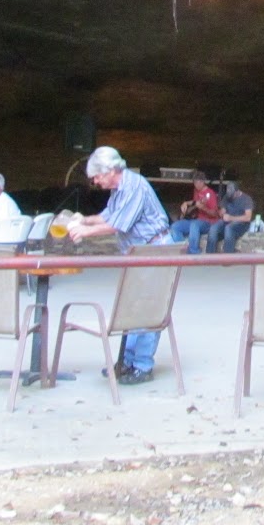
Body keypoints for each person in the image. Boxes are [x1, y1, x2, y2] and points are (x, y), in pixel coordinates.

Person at [68, 146, 174, 384]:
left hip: (154, 249)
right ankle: (126, 361)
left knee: (148, 307)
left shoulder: (134, 186)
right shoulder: (119, 189)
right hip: (138, 251)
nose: (95, 181)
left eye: (97, 176)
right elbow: (108, 215)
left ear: (111, 170)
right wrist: (83, 219)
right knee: (133, 305)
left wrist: (85, 232)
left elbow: (118, 224)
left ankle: (142, 365)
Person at [168, 174, 220, 255]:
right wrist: (185, 203)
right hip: (197, 220)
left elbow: (215, 214)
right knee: (175, 226)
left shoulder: (211, 193)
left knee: (194, 225)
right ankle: (183, 248)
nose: (196, 185)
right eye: (195, 183)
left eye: (198, 182)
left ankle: (194, 252)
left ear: (203, 182)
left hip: (209, 222)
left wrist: (204, 208)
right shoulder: (197, 191)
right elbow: (195, 201)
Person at [207, 180, 256, 254]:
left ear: (237, 191)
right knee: (213, 228)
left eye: (232, 195)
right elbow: (222, 211)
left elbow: (248, 217)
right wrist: (221, 213)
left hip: (242, 223)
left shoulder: (247, 199)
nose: (230, 197)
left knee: (229, 228)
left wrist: (231, 218)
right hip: (227, 220)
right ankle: (209, 255)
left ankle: (228, 256)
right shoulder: (227, 196)